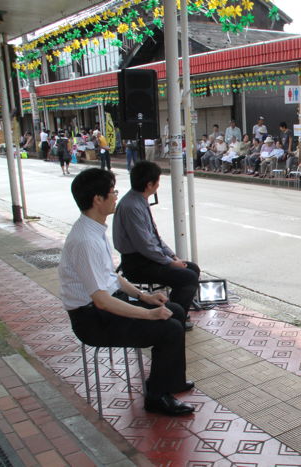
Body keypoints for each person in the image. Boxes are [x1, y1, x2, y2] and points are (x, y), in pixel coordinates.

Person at [58, 168, 194, 416]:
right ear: (97, 199)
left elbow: (112, 278)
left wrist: (146, 298)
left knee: (174, 311)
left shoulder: (94, 230)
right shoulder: (85, 240)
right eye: (112, 192)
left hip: (107, 307)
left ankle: (170, 382)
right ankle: (157, 397)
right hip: (93, 320)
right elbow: (101, 300)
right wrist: (149, 314)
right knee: (169, 328)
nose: (115, 197)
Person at [113, 161, 201, 331]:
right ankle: (175, 320)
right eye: (158, 182)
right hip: (138, 263)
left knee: (192, 269)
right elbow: (145, 245)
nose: (158, 185)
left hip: (149, 258)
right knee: (187, 277)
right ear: (149, 184)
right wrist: (168, 262)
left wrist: (173, 257)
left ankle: (176, 312)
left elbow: (155, 238)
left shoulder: (139, 200)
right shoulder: (131, 206)